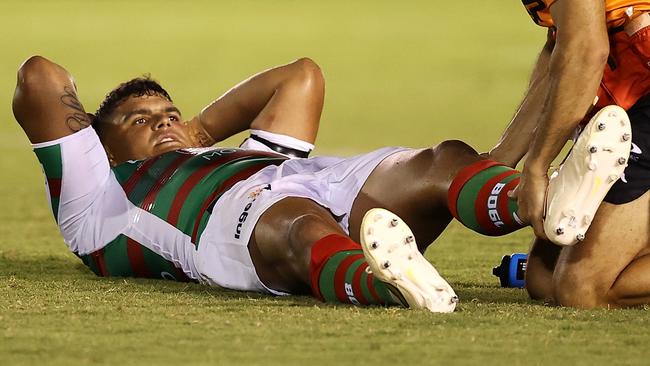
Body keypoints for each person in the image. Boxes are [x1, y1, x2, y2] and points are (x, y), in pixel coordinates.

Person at [12, 55, 613, 313]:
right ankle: (390, 287)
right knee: (299, 220)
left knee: (443, 160)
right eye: (141, 122)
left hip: (297, 180)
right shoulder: (98, 204)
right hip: (228, 229)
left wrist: (196, 127)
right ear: (101, 144)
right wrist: (86, 136)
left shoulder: (240, 154)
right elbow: (39, 76)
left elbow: (300, 78)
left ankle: (543, 202)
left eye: (168, 114)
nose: (163, 124)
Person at [487, 1, 650, 308]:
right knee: (542, 279)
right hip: (630, 88)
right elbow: (562, 47)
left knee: (583, 289)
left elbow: (587, 51)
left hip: (641, 85)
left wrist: (537, 166)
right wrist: (500, 158)